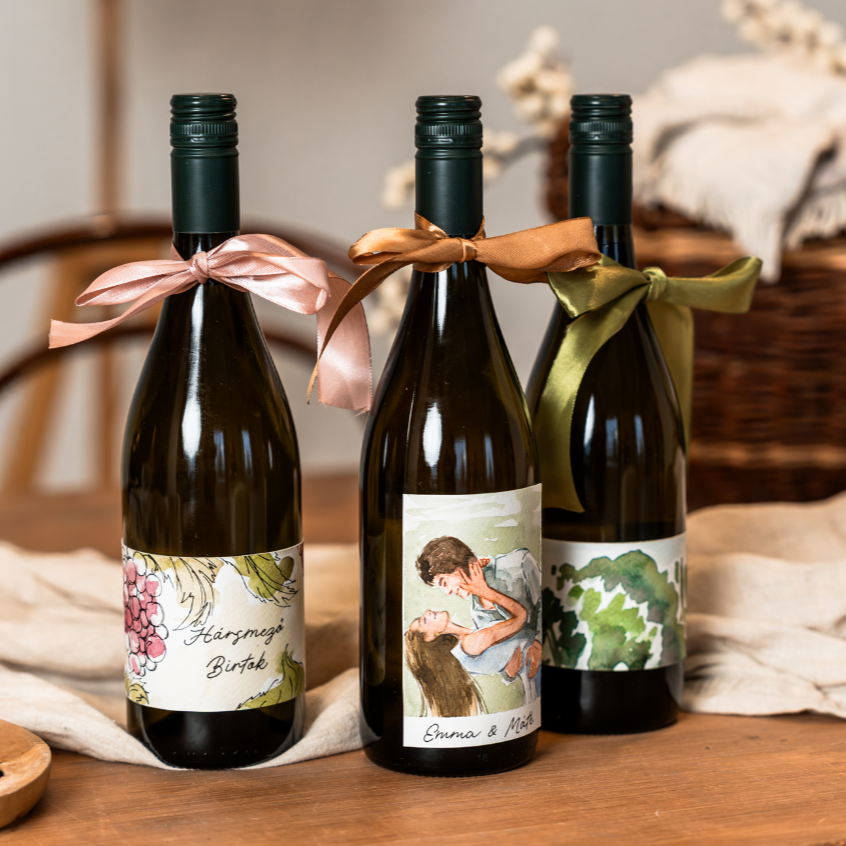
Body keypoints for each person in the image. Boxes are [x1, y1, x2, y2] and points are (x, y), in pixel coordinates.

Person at [405, 560, 531, 718]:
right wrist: (484, 590)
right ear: (430, 637)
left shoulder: (468, 637)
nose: (428, 611)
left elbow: (505, 660)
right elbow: (521, 618)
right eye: (424, 620)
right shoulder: (469, 644)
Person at [415, 536, 542, 679]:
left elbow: (545, 605)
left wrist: (538, 640)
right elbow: (501, 653)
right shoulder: (478, 612)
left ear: (458, 568)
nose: (448, 592)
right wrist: (508, 673)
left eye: (444, 583)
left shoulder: (519, 563)